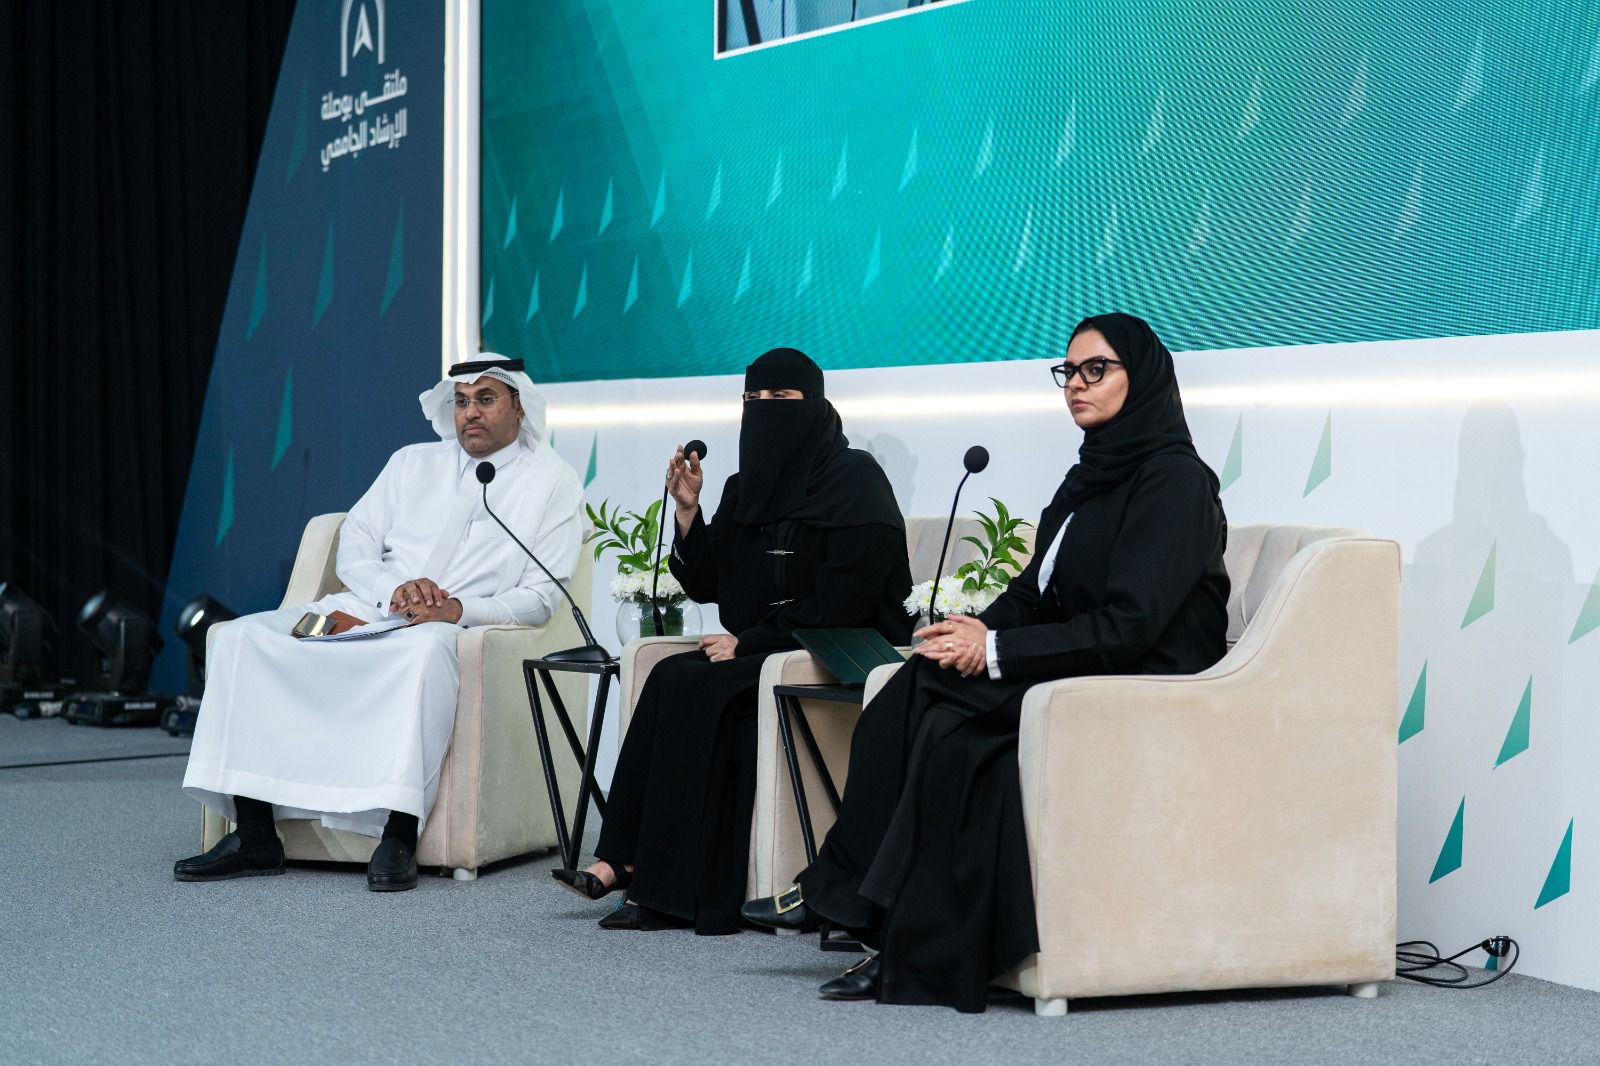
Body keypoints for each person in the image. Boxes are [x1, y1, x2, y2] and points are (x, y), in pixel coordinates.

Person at [742, 314, 1230, 1011]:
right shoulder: (1089, 477)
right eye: (1069, 371)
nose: (1077, 384)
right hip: (1078, 662)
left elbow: (1129, 626)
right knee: (915, 683)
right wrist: (972, 629)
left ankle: (869, 916)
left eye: (1096, 369)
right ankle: (848, 897)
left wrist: (993, 650)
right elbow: (1035, 592)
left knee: (951, 733)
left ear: (1143, 377)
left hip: (1139, 681)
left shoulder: (1175, 482)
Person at [176, 355, 584, 892]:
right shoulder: (411, 463)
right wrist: (392, 589)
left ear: (520, 407)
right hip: (369, 609)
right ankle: (254, 834)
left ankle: (399, 833)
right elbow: (356, 540)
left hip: (452, 627)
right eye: (461, 402)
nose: (470, 413)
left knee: (424, 652)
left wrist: (456, 609)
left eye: (486, 399)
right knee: (239, 639)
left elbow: (540, 598)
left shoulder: (552, 481)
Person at [551, 347, 913, 934]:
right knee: (670, 675)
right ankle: (623, 860)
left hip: (836, 647)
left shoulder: (856, 480)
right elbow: (710, 583)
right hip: (767, 647)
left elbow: (849, 599)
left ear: (816, 404)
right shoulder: (747, 488)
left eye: (781, 399)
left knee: (703, 689)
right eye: (753, 399)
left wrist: (751, 644)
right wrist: (688, 513)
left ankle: (674, 890)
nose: (765, 411)